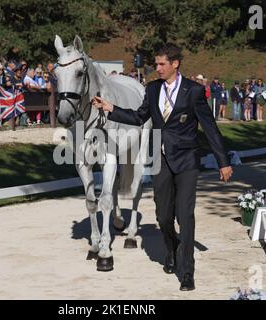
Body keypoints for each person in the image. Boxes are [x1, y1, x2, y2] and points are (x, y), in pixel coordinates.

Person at [92, 44, 232, 292]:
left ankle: (187, 271)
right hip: (161, 162)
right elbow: (138, 117)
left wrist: (223, 161)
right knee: (163, 217)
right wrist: (111, 109)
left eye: (161, 64)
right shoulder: (153, 88)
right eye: (156, 64)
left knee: (184, 216)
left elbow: (210, 127)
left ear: (175, 63)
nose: (157, 68)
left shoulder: (194, 91)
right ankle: (172, 248)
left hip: (187, 160)